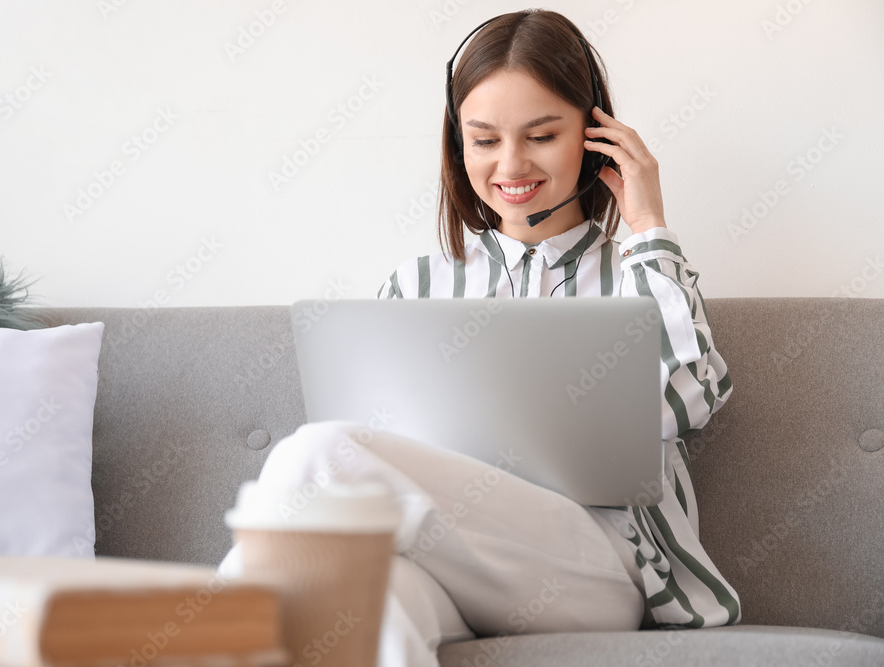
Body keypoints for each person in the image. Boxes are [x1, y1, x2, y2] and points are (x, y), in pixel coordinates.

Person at [218, 9, 740, 666]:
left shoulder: (637, 272)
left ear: (594, 134)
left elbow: (691, 396)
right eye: (484, 139)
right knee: (365, 605)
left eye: (542, 134)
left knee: (320, 451)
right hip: (443, 561)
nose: (511, 163)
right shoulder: (415, 287)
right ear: (457, 145)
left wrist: (650, 226)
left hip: (593, 571)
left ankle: (198, 626)